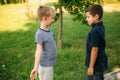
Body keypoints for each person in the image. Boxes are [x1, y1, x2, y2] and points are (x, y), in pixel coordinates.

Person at [30, 5, 56, 80]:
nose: (53, 20)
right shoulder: (40, 34)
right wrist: (35, 68)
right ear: (45, 18)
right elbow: (38, 50)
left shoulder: (49, 30)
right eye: (52, 18)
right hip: (45, 66)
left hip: (49, 64)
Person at [85, 4, 108, 80]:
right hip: (99, 62)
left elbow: (95, 49)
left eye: (88, 17)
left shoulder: (95, 31)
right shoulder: (101, 26)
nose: (86, 19)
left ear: (96, 16)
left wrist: (91, 67)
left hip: (96, 65)